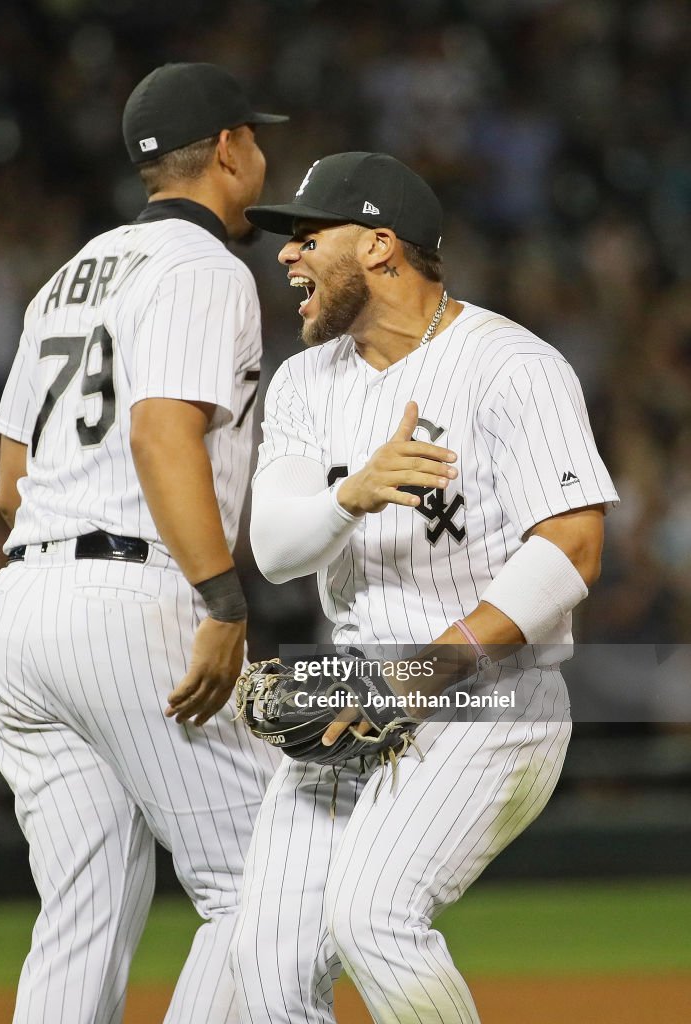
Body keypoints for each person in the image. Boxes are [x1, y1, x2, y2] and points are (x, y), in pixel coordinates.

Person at [230, 152, 620, 1024]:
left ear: (378, 246)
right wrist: (350, 494)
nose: (286, 255)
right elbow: (277, 549)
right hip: (352, 690)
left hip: (491, 697)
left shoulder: (511, 365)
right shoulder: (304, 380)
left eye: (306, 235)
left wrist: (419, 677)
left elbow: (572, 547)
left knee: (373, 917)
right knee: (266, 961)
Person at [0, 62, 287, 1024]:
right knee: (270, 884)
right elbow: (160, 430)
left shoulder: (65, 277)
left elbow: (11, 483)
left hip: (21, 610)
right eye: (254, 136)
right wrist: (220, 598)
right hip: (135, 596)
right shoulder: (203, 267)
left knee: (80, 916)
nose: (261, 151)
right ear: (226, 149)